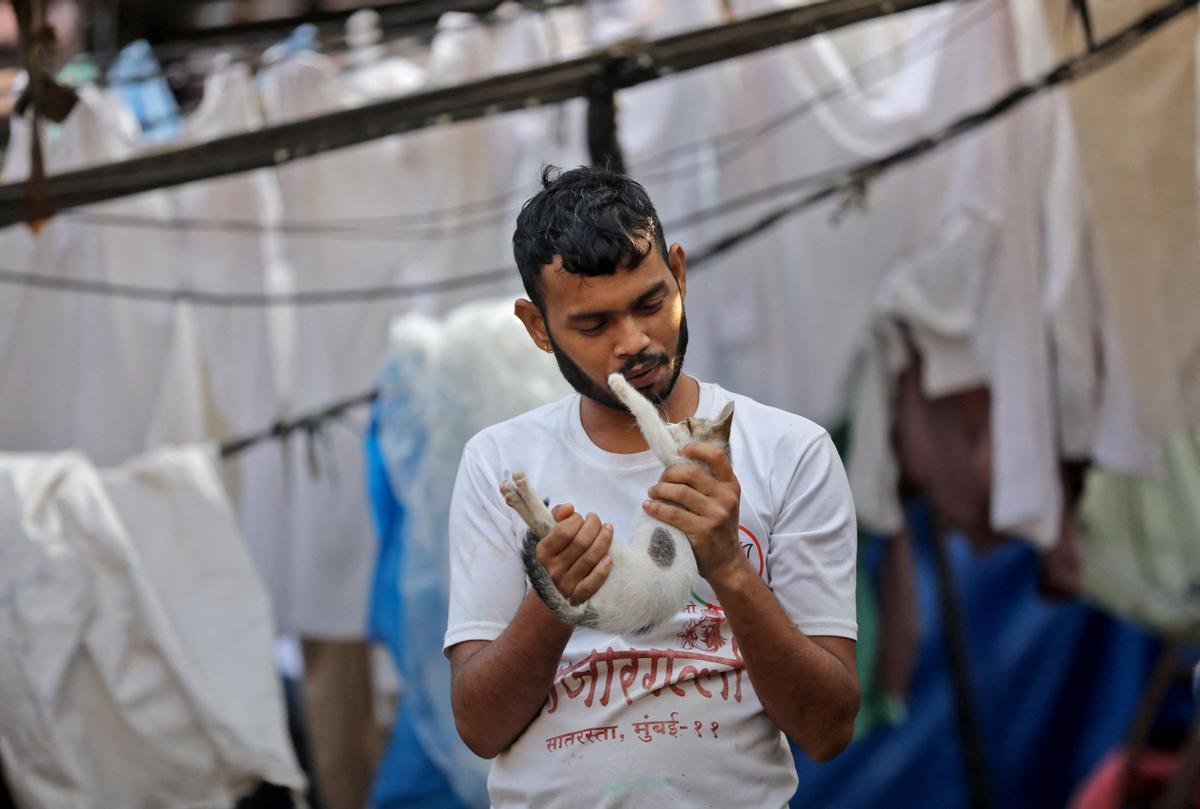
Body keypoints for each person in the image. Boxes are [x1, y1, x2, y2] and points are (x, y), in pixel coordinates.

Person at [444, 165, 859, 808]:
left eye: (650, 303)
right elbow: (479, 726)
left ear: (680, 276)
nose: (634, 342)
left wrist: (728, 567)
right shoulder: (499, 463)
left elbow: (827, 728)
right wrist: (553, 599)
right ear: (537, 327)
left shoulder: (790, 451)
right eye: (593, 325)